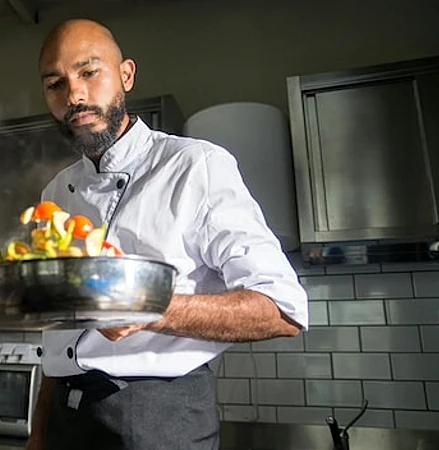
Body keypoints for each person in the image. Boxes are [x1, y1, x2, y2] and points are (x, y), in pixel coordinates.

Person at [27, 18, 309, 450]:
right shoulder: (55, 193)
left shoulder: (195, 166)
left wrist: (147, 308)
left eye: (89, 72)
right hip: (66, 420)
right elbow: (58, 340)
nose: (75, 95)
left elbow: (283, 310)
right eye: (55, 84)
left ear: (126, 75)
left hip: (158, 421)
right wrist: (39, 435)